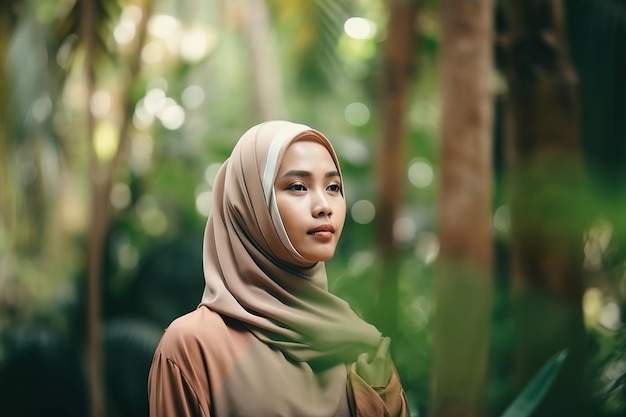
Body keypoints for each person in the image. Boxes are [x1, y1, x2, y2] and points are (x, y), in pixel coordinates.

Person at [148, 120, 408, 417]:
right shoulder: (194, 347)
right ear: (249, 206)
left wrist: (376, 400)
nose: (324, 205)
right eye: (298, 187)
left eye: (333, 187)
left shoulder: (363, 348)